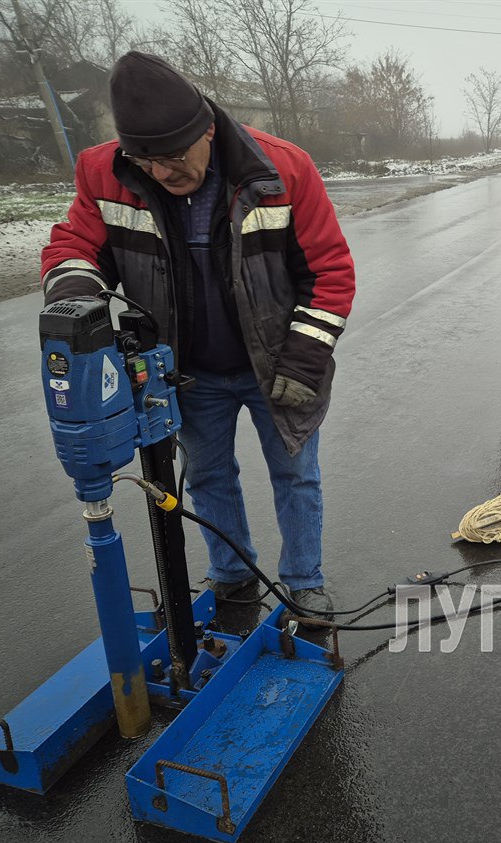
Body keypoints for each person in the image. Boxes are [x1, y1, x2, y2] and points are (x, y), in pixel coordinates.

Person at [41, 52, 355, 615]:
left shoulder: (283, 171)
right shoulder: (104, 172)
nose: (161, 172)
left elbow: (330, 272)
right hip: (186, 370)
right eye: (146, 158)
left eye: (172, 156)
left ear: (207, 128)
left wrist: (305, 361)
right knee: (208, 476)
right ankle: (233, 577)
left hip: (278, 367)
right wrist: (76, 299)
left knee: (296, 476)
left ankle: (304, 583)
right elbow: (74, 247)